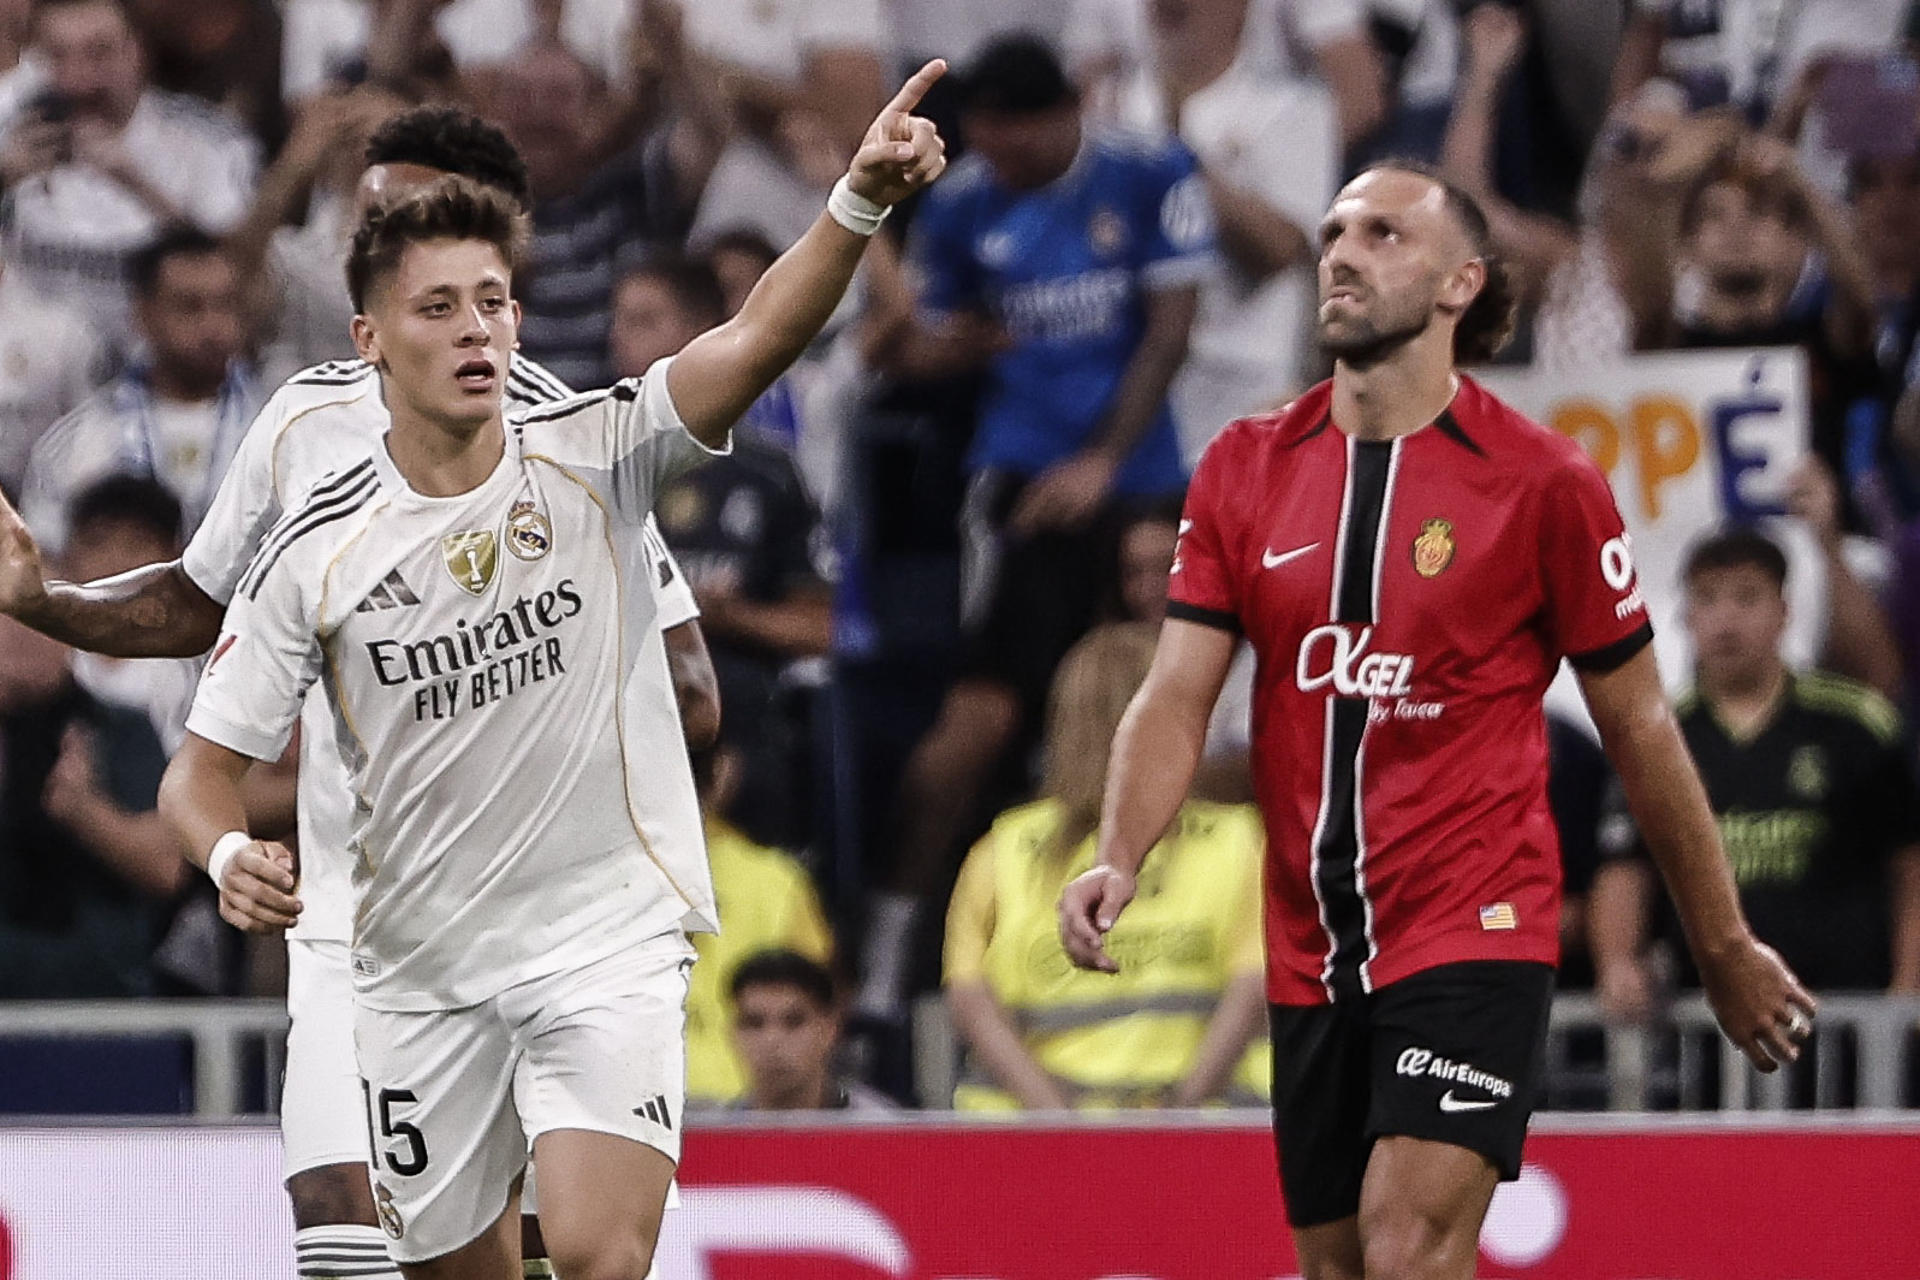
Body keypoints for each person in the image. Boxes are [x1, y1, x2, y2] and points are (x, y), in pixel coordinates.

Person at [157, 65, 945, 1279]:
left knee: (592, 1247)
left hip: (601, 936)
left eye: (495, 302)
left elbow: (753, 338)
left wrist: (853, 201)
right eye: (438, 308)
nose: (477, 329)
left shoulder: (595, 453)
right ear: (367, 338)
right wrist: (226, 853)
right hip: (417, 969)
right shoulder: (316, 546)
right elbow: (199, 771)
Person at [1058, 160, 1814, 1280]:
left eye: (1383, 235)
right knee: (1339, 1267)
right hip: (1308, 941)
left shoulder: (1545, 482)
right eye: (1333, 231)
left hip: (1474, 916)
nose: (1343, 253)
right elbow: (1176, 692)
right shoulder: (1241, 468)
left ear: (1462, 282)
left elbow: (1644, 730)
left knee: (1407, 1241)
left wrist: (1720, 941)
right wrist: (1121, 847)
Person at [0, 107, 716, 1280]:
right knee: (341, 1214)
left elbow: (693, 687)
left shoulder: (575, 439)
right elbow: (199, 599)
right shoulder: (304, 420)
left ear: (497, 246)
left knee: (553, 1245)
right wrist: (48, 607)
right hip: (358, 915)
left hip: (549, 919)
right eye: (368, 212)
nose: (374, 229)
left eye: (405, 211)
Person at [858, 33, 1210, 1024]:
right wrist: (937, 344)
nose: (992, 160)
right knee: (969, 736)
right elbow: (907, 348)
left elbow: (1172, 326)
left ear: (1058, 116)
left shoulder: (1148, 174)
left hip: (1139, 486)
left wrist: (1101, 460)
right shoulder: (966, 204)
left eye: (1006, 139)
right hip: (1017, 493)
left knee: (1170, 709)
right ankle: (889, 956)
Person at [1591, 529, 1920, 1020]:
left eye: (1747, 598)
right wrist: (1618, 962)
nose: (1726, 621)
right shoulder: (1654, 738)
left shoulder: (1856, 726)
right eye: (1708, 598)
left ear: (1784, 612)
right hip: (1707, 1024)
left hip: (1844, 1022)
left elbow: (1909, 866)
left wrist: (1908, 985)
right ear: (1685, 615)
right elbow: (1625, 865)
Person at [944, 622, 1266, 1111]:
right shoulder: (1238, 840)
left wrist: (1063, 1121)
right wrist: (1176, 1115)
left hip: (1035, 1140)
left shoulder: (1002, 848)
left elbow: (969, 998)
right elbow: (1252, 990)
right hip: (1205, 1133)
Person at [0, 0, 258, 350]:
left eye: (99, 53)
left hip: (162, 373)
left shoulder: (210, 143)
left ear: (137, 51)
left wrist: (137, 184)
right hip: (35, 369)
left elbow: (242, 274)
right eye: (58, 56)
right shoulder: (13, 133)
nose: (79, 77)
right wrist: (4, 176)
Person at [20, 229, 259, 550]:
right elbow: (45, 559)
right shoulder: (80, 439)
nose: (212, 326)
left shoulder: (279, 427)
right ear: (143, 315)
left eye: (225, 306)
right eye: (191, 307)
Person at [685, 741, 835, 1108]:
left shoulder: (776, 880)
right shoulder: (598, 882)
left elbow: (814, 1001)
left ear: (725, 771)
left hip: (750, 1109)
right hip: (639, 1114)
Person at [728, 948, 895, 1112]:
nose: (772, 1040)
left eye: (793, 1022)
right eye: (754, 1023)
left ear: (829, 1031)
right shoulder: (713, 1133)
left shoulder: (884, 1129)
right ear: (732, 1034)